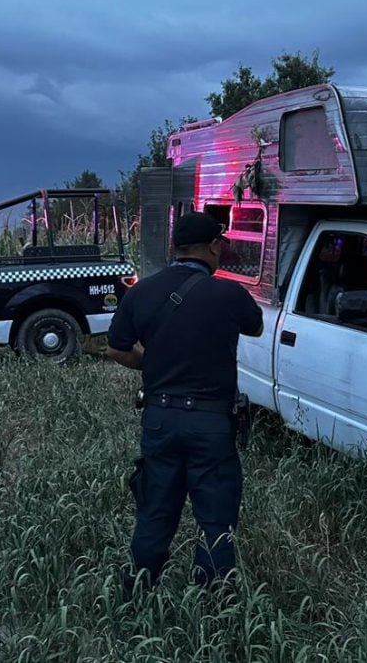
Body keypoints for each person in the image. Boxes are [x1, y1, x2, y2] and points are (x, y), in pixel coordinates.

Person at [106, 211, 263, 599]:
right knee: (216, 518)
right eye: (220, 246)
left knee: (155, 510)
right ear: (212, 246)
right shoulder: (228, 294)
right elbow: (255, 326)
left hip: (159, 419)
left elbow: (116, 348)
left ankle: (137, 597)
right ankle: (213, 606)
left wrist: (152, 363)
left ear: (176, 247)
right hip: (211, 425)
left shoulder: (140, 292)